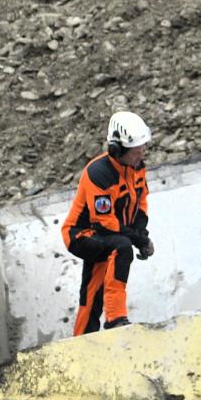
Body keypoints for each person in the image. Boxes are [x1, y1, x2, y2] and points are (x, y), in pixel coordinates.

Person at [60, 111, 154, 334]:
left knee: (92, 292)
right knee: (121, 246)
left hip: (110, 235)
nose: (141, 153)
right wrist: (136, 240)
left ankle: (82, 338)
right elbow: (104, 221)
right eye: (136, 149)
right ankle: (115, 318)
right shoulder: (98, 173)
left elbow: (140, 204)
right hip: (82, 234)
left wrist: (142, 236)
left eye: (143, 147)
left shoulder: (137, 167)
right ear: (117, 149)